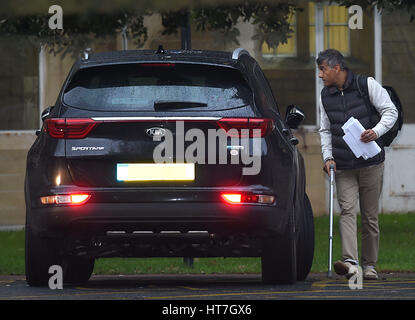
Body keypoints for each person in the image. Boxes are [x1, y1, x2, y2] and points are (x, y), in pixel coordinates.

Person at [317, 49, 398, 280]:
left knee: (370, 216)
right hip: (343, 165)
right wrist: (327, 157)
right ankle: (351, 262)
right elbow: (324, 129)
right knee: (348, 211)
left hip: (371, 163)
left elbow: (390, 111)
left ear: (337, 68)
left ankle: (369, 265)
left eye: (323, 69)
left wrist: (377, 131)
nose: (321, 75)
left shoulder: (367, 85)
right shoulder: (325, 96)